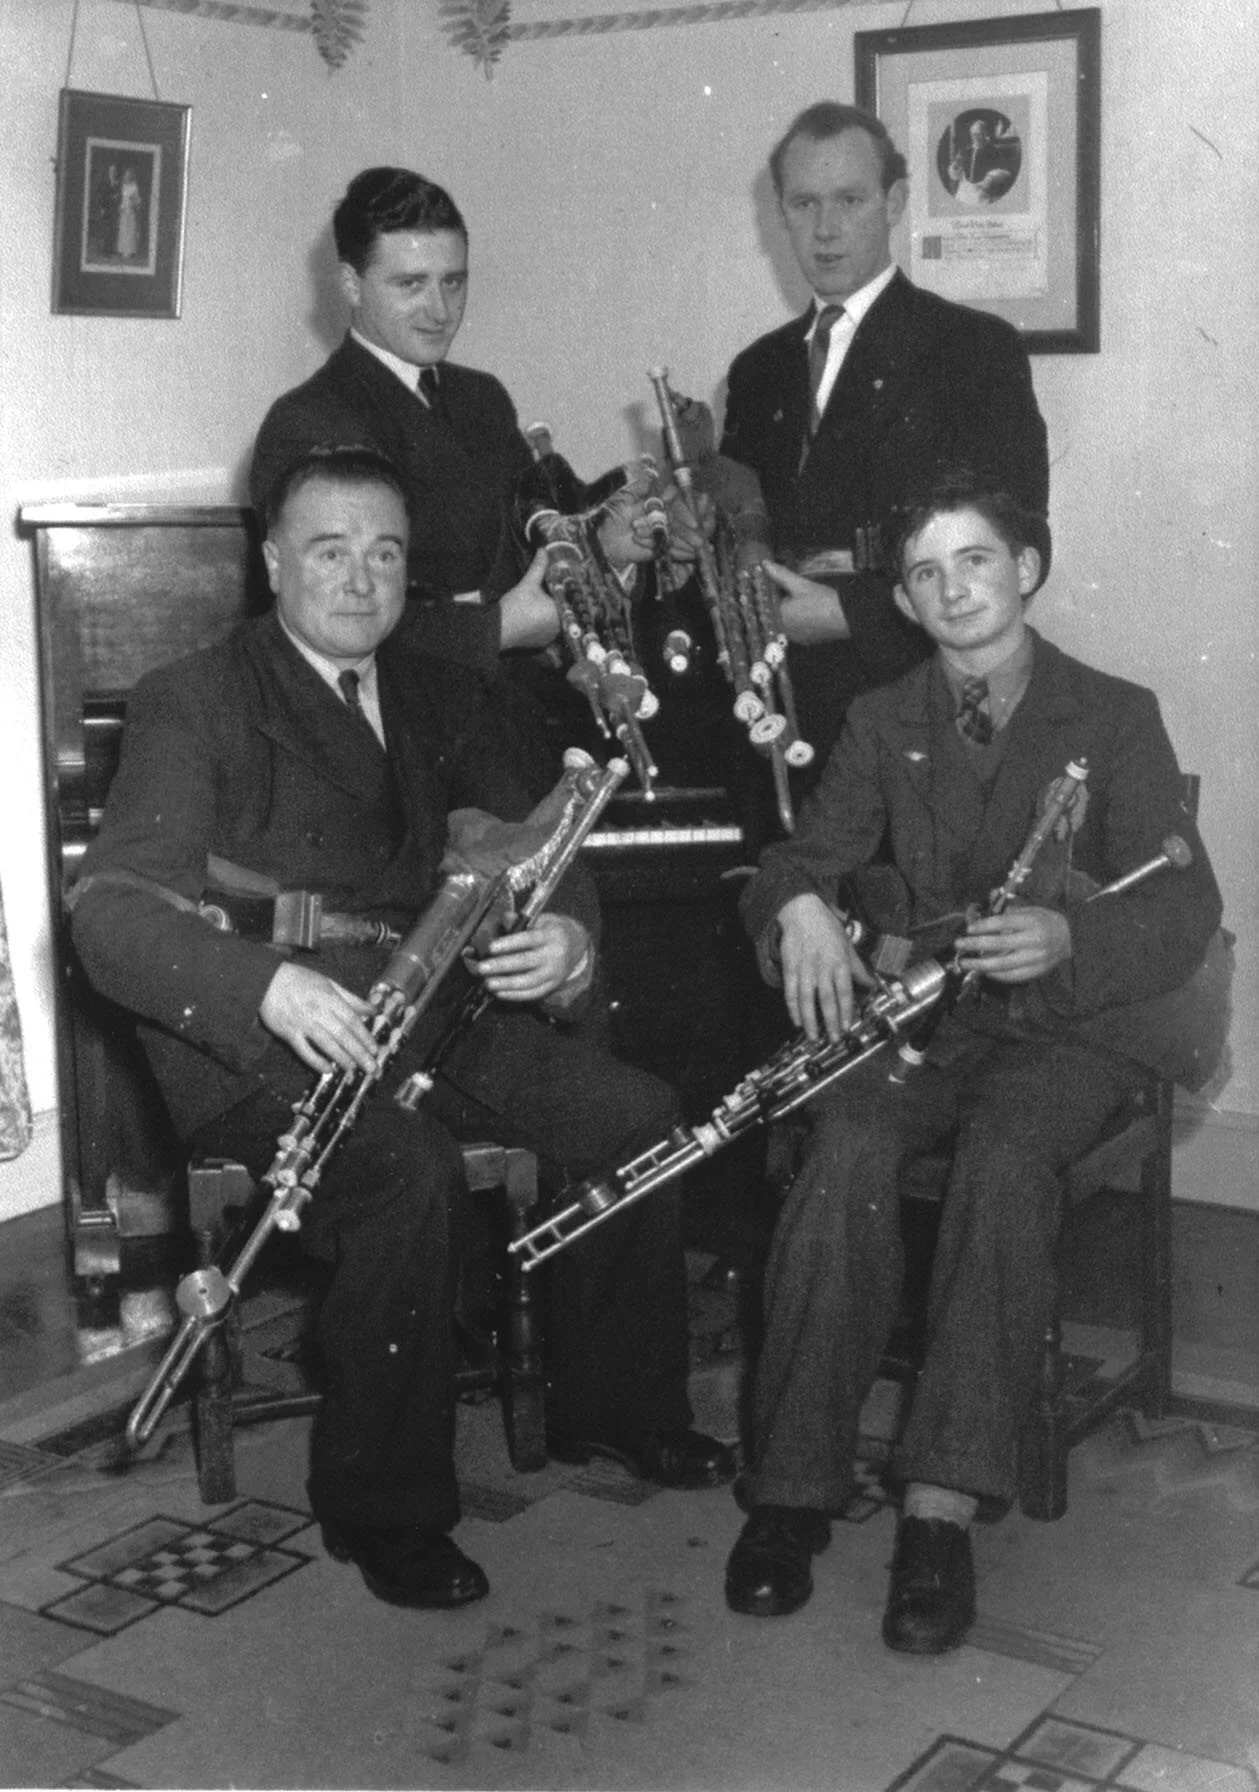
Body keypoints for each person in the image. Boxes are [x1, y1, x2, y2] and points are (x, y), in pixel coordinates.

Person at [70, 445, 734, 1613]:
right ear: (272, 559)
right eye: (328, 551)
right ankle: (387, 1509)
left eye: (384, 554)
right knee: (405, 1175)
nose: (359, 579)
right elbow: (112, 913)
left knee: (634, 1116)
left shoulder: (438, 685)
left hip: (423, 1002)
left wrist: (567, 946)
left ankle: (619, 1408)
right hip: (258, 1040)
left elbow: (542, 841)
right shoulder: (196, 696)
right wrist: (263, 985)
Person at [724, 479, 1225, 1652]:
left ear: (1028, 569)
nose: (952, 590)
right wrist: (795, 899)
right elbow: (803, 850)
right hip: (925, 1022)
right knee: (841, 1145)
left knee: (1002, 1164)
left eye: (976, 562)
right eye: (925, 573)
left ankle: (939, 1513)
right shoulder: (880, 715)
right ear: (900, 598)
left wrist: (1071, 934)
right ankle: (791, 1491)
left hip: (1067, 1028)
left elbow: (1185, 904)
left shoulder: (1111, 713)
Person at [717, 102, 1050, 776]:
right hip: (781, 712)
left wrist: (848, 613)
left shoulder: (972, 348)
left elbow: (1020, 547)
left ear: (894, 202)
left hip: (921, 702)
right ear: (778, 212)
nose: (826, 228)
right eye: (804, 203)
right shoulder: (755, 371)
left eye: (849, 199)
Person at [251, 167, 653, 677]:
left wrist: (612, 544)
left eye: (453, 282)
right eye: (411, 284)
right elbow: (322, 614)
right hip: (399, 719)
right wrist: (495, 629)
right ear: (352, 284)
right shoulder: (307, 420)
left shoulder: (482, 397)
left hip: (518, 704)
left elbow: (532, 541)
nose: (439, 311)